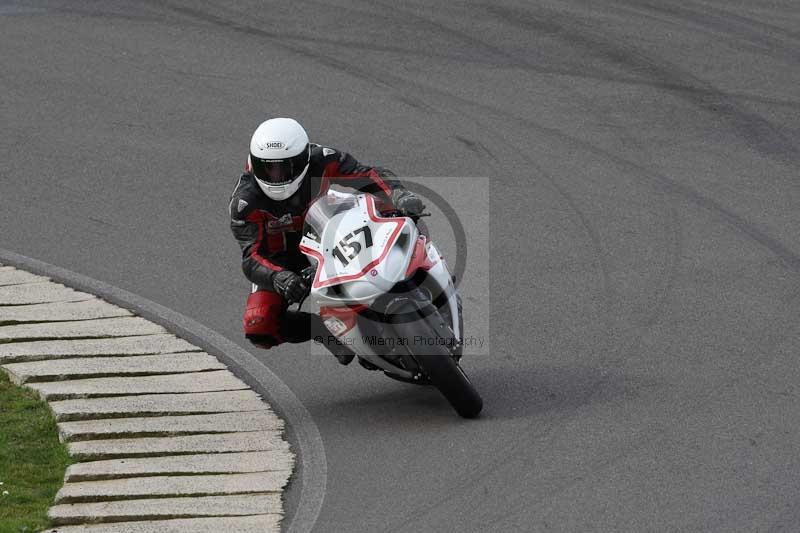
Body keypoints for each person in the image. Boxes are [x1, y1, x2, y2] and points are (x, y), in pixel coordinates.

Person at [229, 118, 425, 365]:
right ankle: (323, 330)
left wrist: (398, 194)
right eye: (267, 168)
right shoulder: (245, 202)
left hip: (329, 231)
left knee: (396, 217)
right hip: (282, 261)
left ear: (302, 159)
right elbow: (251, 256)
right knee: (259, 325)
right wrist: (279, 277)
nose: (276, 177)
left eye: (284, 168)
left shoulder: (322, 158)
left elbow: (367, 173)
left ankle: (419, 265)